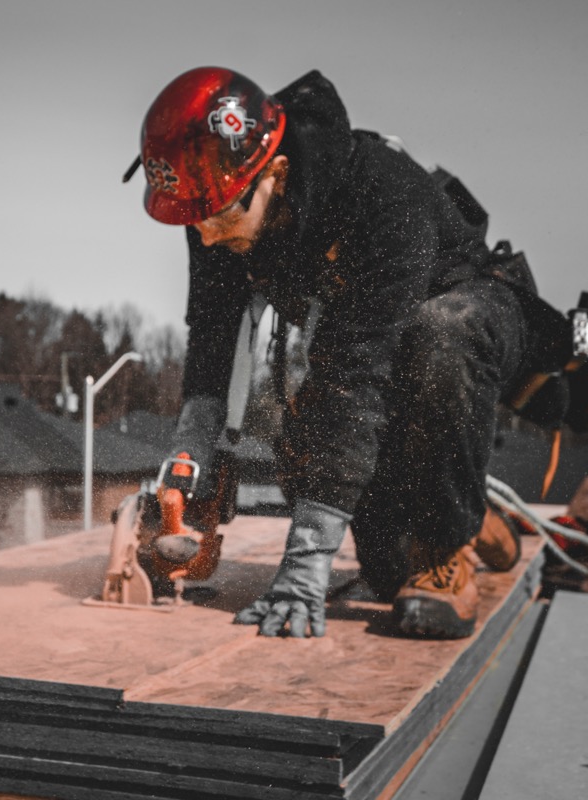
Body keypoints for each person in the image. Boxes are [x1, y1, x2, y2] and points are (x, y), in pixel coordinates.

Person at [129, 66, 563, 640]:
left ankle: (443, 546)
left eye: (218, 218)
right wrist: (192, 464)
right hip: (372, 346)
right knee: (385, 572)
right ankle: (471, 515)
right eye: (193, 220)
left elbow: (355, 377)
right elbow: (212, 334)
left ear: (275, 174)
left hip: (473, 314)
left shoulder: (382, 190)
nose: (206, 235)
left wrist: (306, 563)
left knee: (438, 334)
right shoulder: (215, 195)